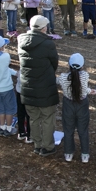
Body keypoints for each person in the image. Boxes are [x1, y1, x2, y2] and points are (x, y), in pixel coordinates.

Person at [18, 15, 60, 156]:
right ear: (43, 28)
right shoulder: (48, 44)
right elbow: (54, 62)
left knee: (34, 118)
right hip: (45, 86)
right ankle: (48, 146)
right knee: (48, 117)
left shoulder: (21, 40)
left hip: (28, 85)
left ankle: (37, 144)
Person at [58, 53, 91, 163]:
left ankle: (68, 153)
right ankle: (85, 154)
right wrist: (90, 91)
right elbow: (84, 89)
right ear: (82, 65)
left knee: (68, 130)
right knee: (83, 130)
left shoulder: (63, 77)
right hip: (82, 104)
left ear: (69, 65)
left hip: (68, 104)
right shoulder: (85, 75)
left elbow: (58, 82)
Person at [15, 70, 32, 143]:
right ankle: (29, 135)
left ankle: (21, 132)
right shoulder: (32, 68)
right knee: (29, 114)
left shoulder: (22, 67)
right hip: (28, 93)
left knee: (21, 112)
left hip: (20, 91)